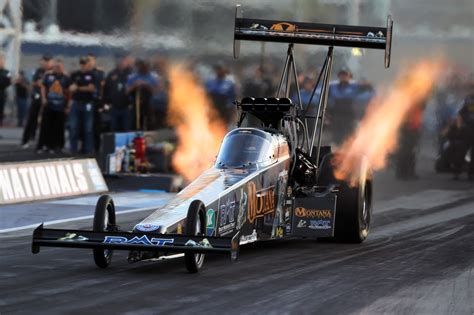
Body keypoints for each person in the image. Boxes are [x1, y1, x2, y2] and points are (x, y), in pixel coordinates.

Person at [327, 67, 374, 144]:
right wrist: (327, 113)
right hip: (336, 115)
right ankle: (338, 152)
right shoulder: (332, 86)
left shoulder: (355, 86)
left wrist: (367, 84)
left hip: (349, 116)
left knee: (349, 136)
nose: (343, 77)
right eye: (341, 75)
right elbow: (325, 99)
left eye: (345, 75)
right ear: (339, 76)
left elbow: (368, 88)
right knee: (337, 137)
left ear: (349, 76)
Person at [36, 59, 70, 153]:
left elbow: (68, 92)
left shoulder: (66, 78)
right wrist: (43, 98)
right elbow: (43, 87)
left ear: (62, 68)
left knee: (58, 127)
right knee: (45, 126)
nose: (57, 69)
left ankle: (57, 146)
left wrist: (67, 105)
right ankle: (43, 145)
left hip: (60, 106)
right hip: (49, 105)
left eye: (59, 67)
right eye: (56, 67)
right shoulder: (48, 76)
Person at [21, 54, 53, 148]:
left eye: (48, 61)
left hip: (49, 98)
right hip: (37, 97)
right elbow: (35, 83)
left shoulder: (53, 72)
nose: (46, 63)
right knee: (32, 118)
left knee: (46, 121)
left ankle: (45, 143)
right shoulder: (38, 71)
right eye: (44, 61)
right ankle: (25, 140)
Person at [69, 56, 96, 154]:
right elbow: (71, 88)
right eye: (82, 63)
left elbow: (91, 88)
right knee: (73, 127)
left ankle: (88, 149)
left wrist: (78, 88)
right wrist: (84, 87)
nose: (83, 65)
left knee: (88, 128)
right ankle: (73, 149)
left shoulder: (92, 75)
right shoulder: (75, 75)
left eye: (85, 63)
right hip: (76, 103)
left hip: (87, 104)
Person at [103, 54, 134, 132]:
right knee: (113, 128)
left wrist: (132, 103)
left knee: (127, 128)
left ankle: (128, 144)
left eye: (123, 60)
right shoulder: (111, 74)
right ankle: (113, 144)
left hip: (127, 107)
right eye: (119, 60)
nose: (121, 62)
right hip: (114, 107)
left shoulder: (131, 74)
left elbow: (135, 90)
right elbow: (106, 89)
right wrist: (106, 103)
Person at [394, 104, 425, 180]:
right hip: (408, 134)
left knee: (410, 154)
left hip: (411, 133)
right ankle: (404, 172)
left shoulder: (416, 110)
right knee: (407, 154)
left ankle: (407, 172)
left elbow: (416, 124)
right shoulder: (411, 110)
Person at [126, 59, 158, 130]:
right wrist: (135, 85)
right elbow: (127, 91)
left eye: (145, 66)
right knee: (136, 122)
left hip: (148, 103)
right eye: (141, 66)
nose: (143, 68)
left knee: (150, 122)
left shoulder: (152, 77)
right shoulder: (132, 77)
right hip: (136, 104)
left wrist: (146, 85)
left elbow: (155, 92)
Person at [87, 53, 107, 151]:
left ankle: (96, 148)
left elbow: (103, 88)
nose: (89, 62)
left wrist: (103, 102)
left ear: (94, 61)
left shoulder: (100, 73)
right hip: (85, 102)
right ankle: (86, 147)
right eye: (88, 60)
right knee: (86, 127)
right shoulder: (83, 73)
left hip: (96, 102)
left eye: (91, 60)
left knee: (96, 127)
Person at [456, 94, 474, 180]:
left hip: (467, 130)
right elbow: (460, 114)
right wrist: (459, 127)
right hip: (467, 131)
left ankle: (465, 173)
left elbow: (460, 114)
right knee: (462, 152)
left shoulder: (468, 100)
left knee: (463, 152)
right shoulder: (469, 100)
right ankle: (458, 172)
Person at [0, 52, 12, 127]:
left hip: (2, 95)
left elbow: (8, 82)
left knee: (0, 113)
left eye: (2, 60)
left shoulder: (7, 72)